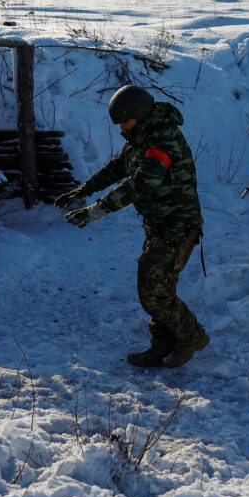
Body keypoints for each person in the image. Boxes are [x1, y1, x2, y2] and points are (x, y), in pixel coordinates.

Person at [58, 84, 209, 368]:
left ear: (138, 115)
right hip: (160, 224)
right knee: (159, 288)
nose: (121, 128)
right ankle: (163, 343)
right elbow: (120, 166)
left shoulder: (161, 140)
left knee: (152, 290)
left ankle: (192, 336)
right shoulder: (141, 136)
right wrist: (84, 190)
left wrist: (98, 210)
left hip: (177, 225)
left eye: (124, 121)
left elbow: (141, 183)